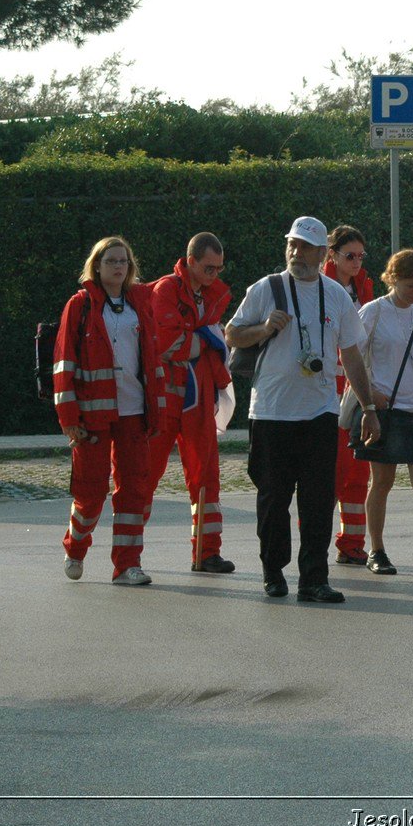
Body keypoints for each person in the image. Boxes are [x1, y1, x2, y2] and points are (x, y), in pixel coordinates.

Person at [224, 216, 380, 604]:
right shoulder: (266, 289)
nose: (296, 252)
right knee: (273, 498)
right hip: (272, 412)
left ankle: (314, 578)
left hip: (320, 412)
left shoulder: (336, 295)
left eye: (305, 246)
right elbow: (232, 333)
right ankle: (273, 572)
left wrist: (369, 408)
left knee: (318, 499)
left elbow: (353, 356)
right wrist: (262, 329)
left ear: (322, 253)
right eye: (292, 244)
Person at [54, 236, 167, 585]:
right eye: (111, 261)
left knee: (134, 488)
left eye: (123, 261)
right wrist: (69, 418)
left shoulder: (140, 305)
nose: (118, 267)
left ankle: (127, 565)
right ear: (97, 266)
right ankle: (75, 547)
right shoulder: (81, 305)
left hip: (134, 412)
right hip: (92, 416)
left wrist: (156, 411)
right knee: (90, 492)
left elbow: (153, 361)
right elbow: (63, 364)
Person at [350, 250, 413, 575]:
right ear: (391, 279)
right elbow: (350, 358)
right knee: (382, 481)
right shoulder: (372, 312)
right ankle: (376, 550)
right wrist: (370, 397)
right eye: (409, 285)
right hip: (385, 409)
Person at [147, 232, 234, 574]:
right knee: (145, 475)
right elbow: (167, 344)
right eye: (209, 268)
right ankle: (128, 556)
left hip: (199, 396)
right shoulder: (166, 289)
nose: (215, 274)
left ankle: (207, 553)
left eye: (219, 268)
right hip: (165, 396)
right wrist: (207, 339)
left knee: (206, 475)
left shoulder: (208, 294)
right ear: (191, 261)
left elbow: (194, 341)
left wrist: (202, 340)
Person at [324, 225, 374, 566]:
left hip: (356, 390)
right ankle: (316, 545)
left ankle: (353, 543)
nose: (356, 262)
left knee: (358, 471)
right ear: (332, 256)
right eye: (349, 256)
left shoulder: (364, 288)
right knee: (327, 474)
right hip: (326, 392)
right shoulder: (319, 288)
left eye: (360, 256)